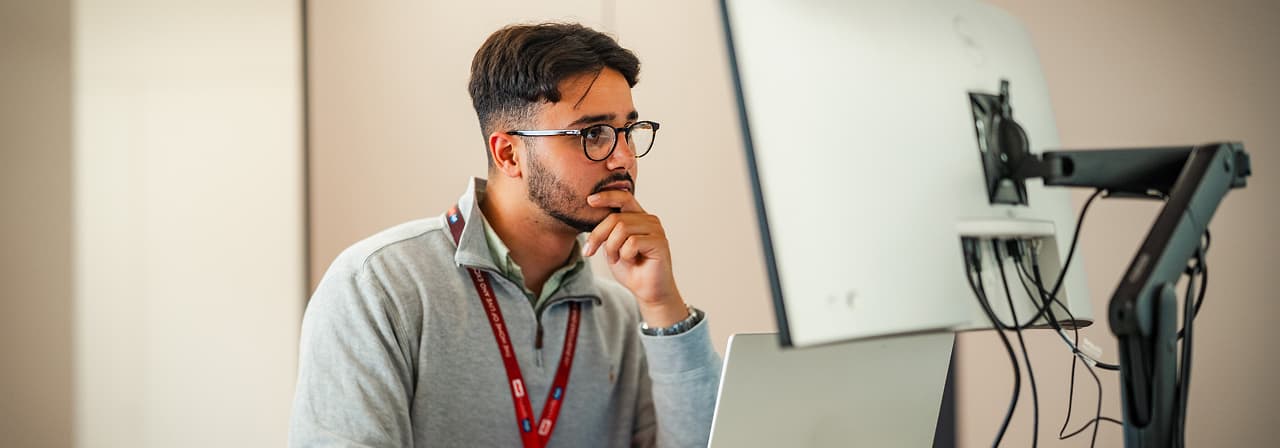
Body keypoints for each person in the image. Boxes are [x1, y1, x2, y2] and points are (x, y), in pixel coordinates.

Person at [289, 22, 721, 447]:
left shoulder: (623, 318)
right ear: (509, 153)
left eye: (628, 131)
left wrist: (664, 307)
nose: (623, 157)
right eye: (593, 133)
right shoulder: (378, 286)